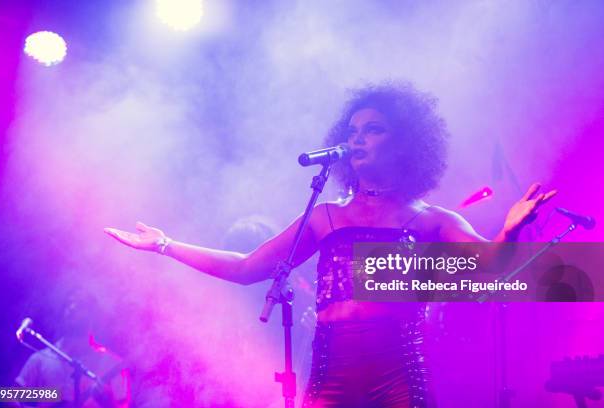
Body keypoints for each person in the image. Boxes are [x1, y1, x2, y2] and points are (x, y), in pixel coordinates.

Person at [104, 82, 556, 407]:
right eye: (353, 130)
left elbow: (490, 269)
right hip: (332, 362)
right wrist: (165, 245)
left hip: (399, 363)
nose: (357, 138)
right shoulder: (326, 216)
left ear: (403, 145)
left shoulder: (430, 219)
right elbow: (247, 267)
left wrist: (509, 231)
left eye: (373, 129)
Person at [16, 290, 130, 407]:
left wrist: (108, 402)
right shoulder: (41, 359)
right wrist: (51, 394)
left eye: (80, 305)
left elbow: (123, 405)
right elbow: (3, 396)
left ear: (93, 317)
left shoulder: (110, 363)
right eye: (68, 304)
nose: (72, 308)